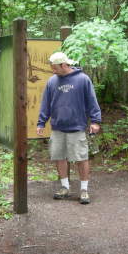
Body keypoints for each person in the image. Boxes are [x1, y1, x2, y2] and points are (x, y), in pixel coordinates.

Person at [37, 52, 101, 204]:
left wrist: (95, 121)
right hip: (58, 127)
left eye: (55, 68)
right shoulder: (52, 82)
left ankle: (84, 189)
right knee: (59, 157)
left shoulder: (82, 79)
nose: (53, 71)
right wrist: (41, 122)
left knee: (81, 158)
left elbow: (92, 101)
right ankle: (65, 187)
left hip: (77, 126)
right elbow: (46, 103)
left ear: (64, 65)